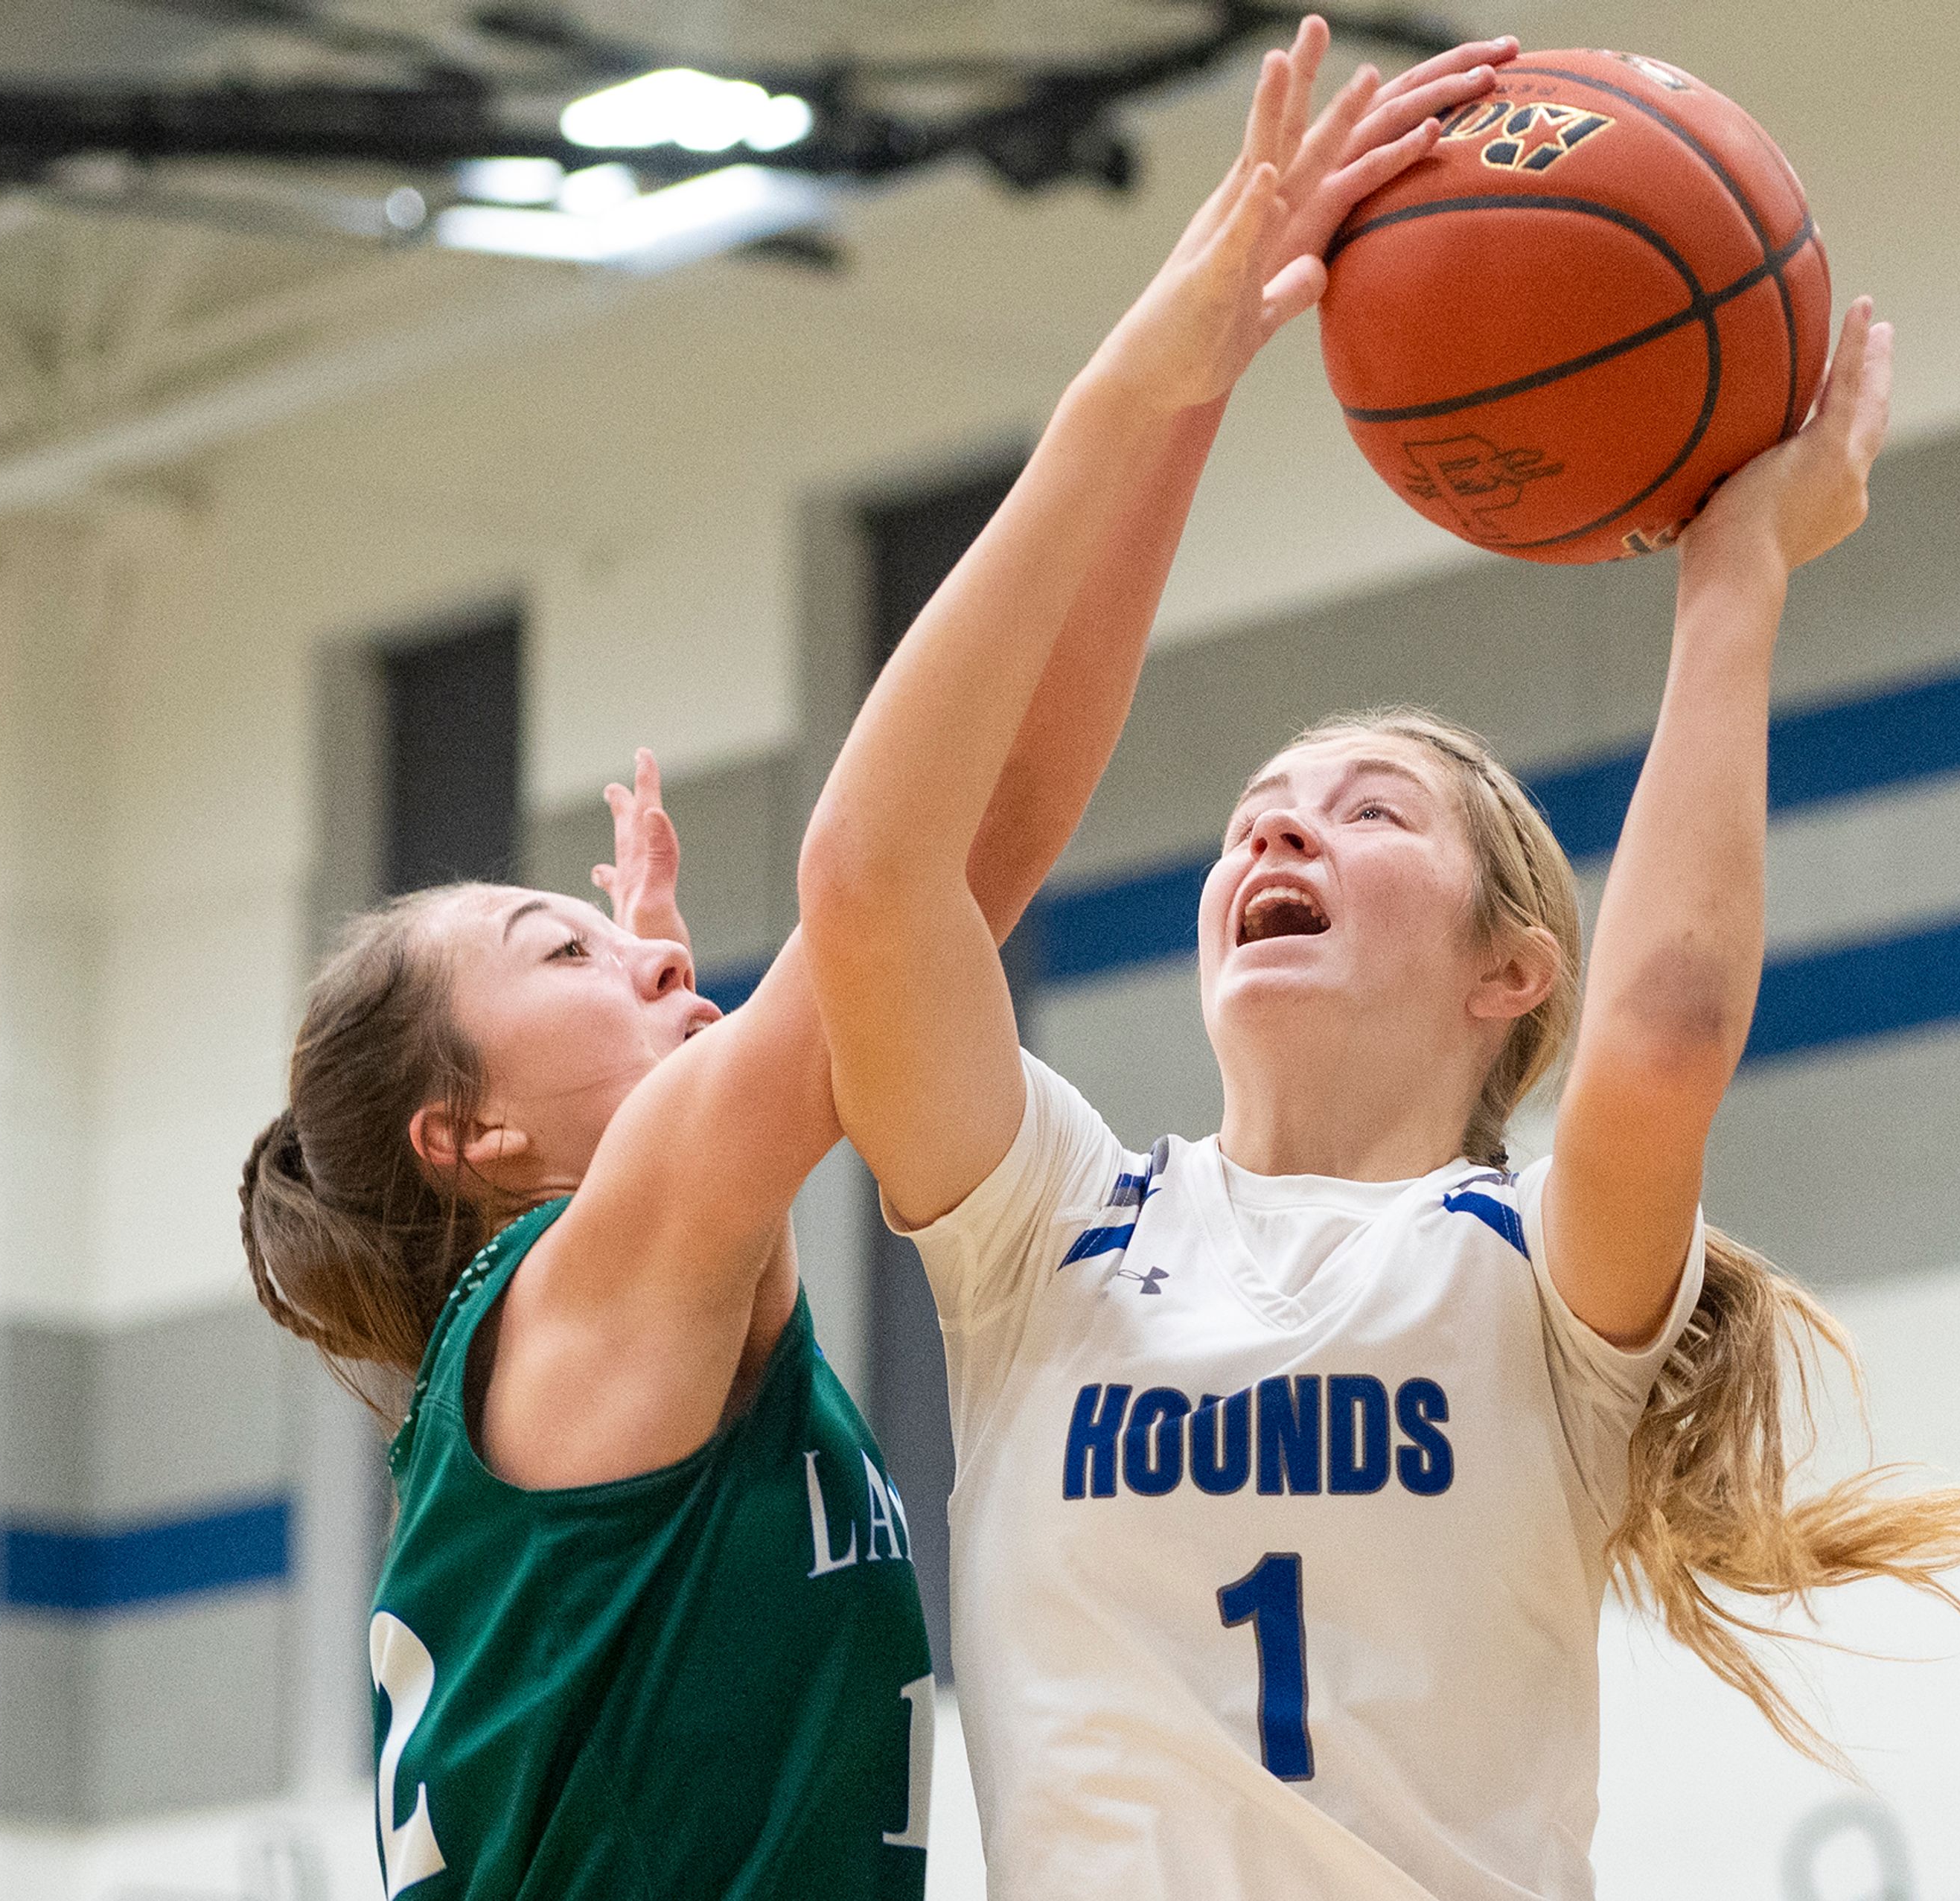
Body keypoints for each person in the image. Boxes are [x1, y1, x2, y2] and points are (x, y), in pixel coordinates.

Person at [235, 26, 1516, 1901]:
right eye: (560, 947)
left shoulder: (658, 1307)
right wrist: (1127, 383)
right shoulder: (584, 1276)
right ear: (471, 1132)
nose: (653, 963)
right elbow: (913, 862)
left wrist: (1192, 395)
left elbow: (969, 855)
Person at [794, 49, 1960, 1899]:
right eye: (1252, 817)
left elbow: (1670, 1024)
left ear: (1509, 968)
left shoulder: (1535, 1273)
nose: (1276, 838)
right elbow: (870, 882)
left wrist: (1731, 582)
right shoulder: (1042, 1224)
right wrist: (1155, 367)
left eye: (1364, 813)